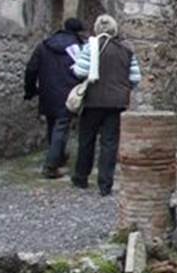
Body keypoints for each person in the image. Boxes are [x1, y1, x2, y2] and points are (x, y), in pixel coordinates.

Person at [71, 14, 142, 196]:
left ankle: (81, 177)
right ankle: (105, 184)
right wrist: (122, 88)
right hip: (116, 103)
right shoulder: (126, 50)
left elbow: (80, 71)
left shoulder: (90, 47)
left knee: (87, 140)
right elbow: (135, 78)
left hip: (93, 101)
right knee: (109, 143)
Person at [24, 18, 85, 178]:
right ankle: (50, 166)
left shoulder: (44, 46)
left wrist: (30, 90)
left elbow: (31, 69)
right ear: (78, 31)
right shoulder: (77, 48)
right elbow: (83, 71)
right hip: (68, 92)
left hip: (47, 92)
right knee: (61, 126)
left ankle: (58, 156)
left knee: (53, 124)